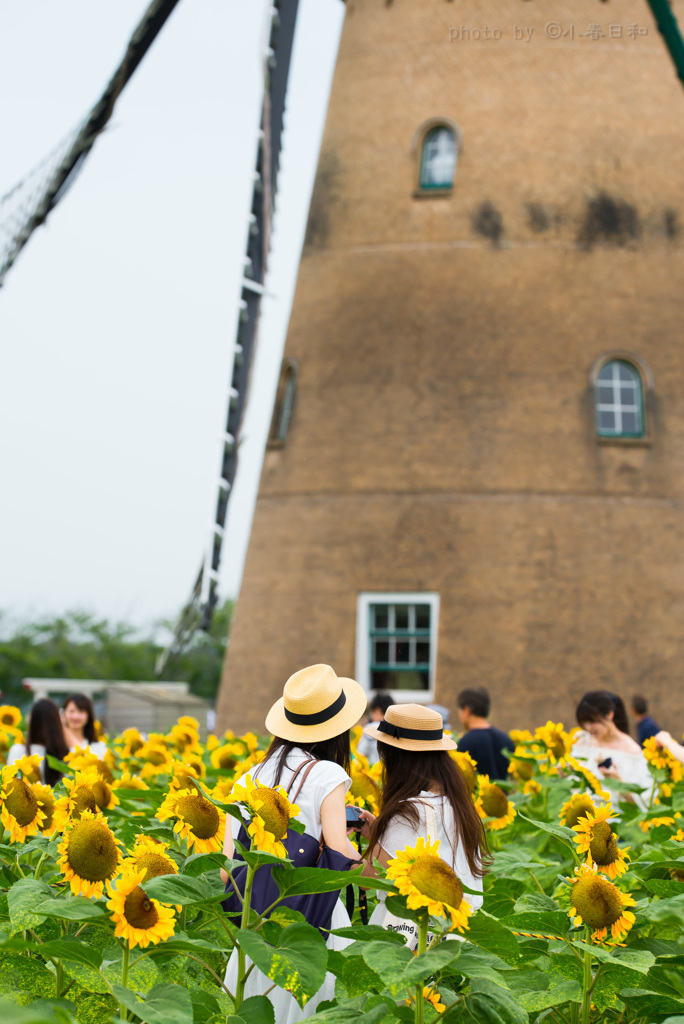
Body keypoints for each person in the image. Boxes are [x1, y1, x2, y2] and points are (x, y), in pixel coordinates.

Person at [221, 664, 367, 1022]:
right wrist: (372, 868)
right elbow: (337, 851)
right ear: (337, 730)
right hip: (309, 926)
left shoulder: (247, 778)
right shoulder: (327, 773)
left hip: (254, 927)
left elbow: (227, 869)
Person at [356, 703, 486, 934]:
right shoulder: (458, 804)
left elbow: (368, 879)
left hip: (415, 938)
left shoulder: (409, 812)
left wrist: (337, 843)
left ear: (397, 758)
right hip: (456, 931)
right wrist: (379, 833)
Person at [571, 691, 652, 811]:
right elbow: (572, 785)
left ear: (609, 714)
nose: (588, 727)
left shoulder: (631, 751)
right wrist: (566, 773)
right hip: (580, 819)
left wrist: (617, 781)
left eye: (592, 721)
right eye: (584, 723)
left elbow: (644, 803)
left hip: (614, 822)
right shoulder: (582, 742)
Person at [455, 687, 513, 780]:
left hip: (477, 794)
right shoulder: (506, 739)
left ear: (467, 710)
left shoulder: (466, 742)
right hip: (504, 794)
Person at [7, 698, 70, 785]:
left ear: (32, 722)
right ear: (57, 724)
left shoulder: (17, 750)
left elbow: (10, 784)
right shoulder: (65, 755)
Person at [61, 693, 107, 758]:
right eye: (71, 711)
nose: (75, 716)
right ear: (64, 713)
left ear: (89, 715)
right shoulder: (57, 745)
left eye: (81, 711)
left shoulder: (99, 747)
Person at [356, 692, 393, 765]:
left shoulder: (371, 727)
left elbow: (361, 753)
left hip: (374, 772)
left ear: (377, 711)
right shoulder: (395, 728)